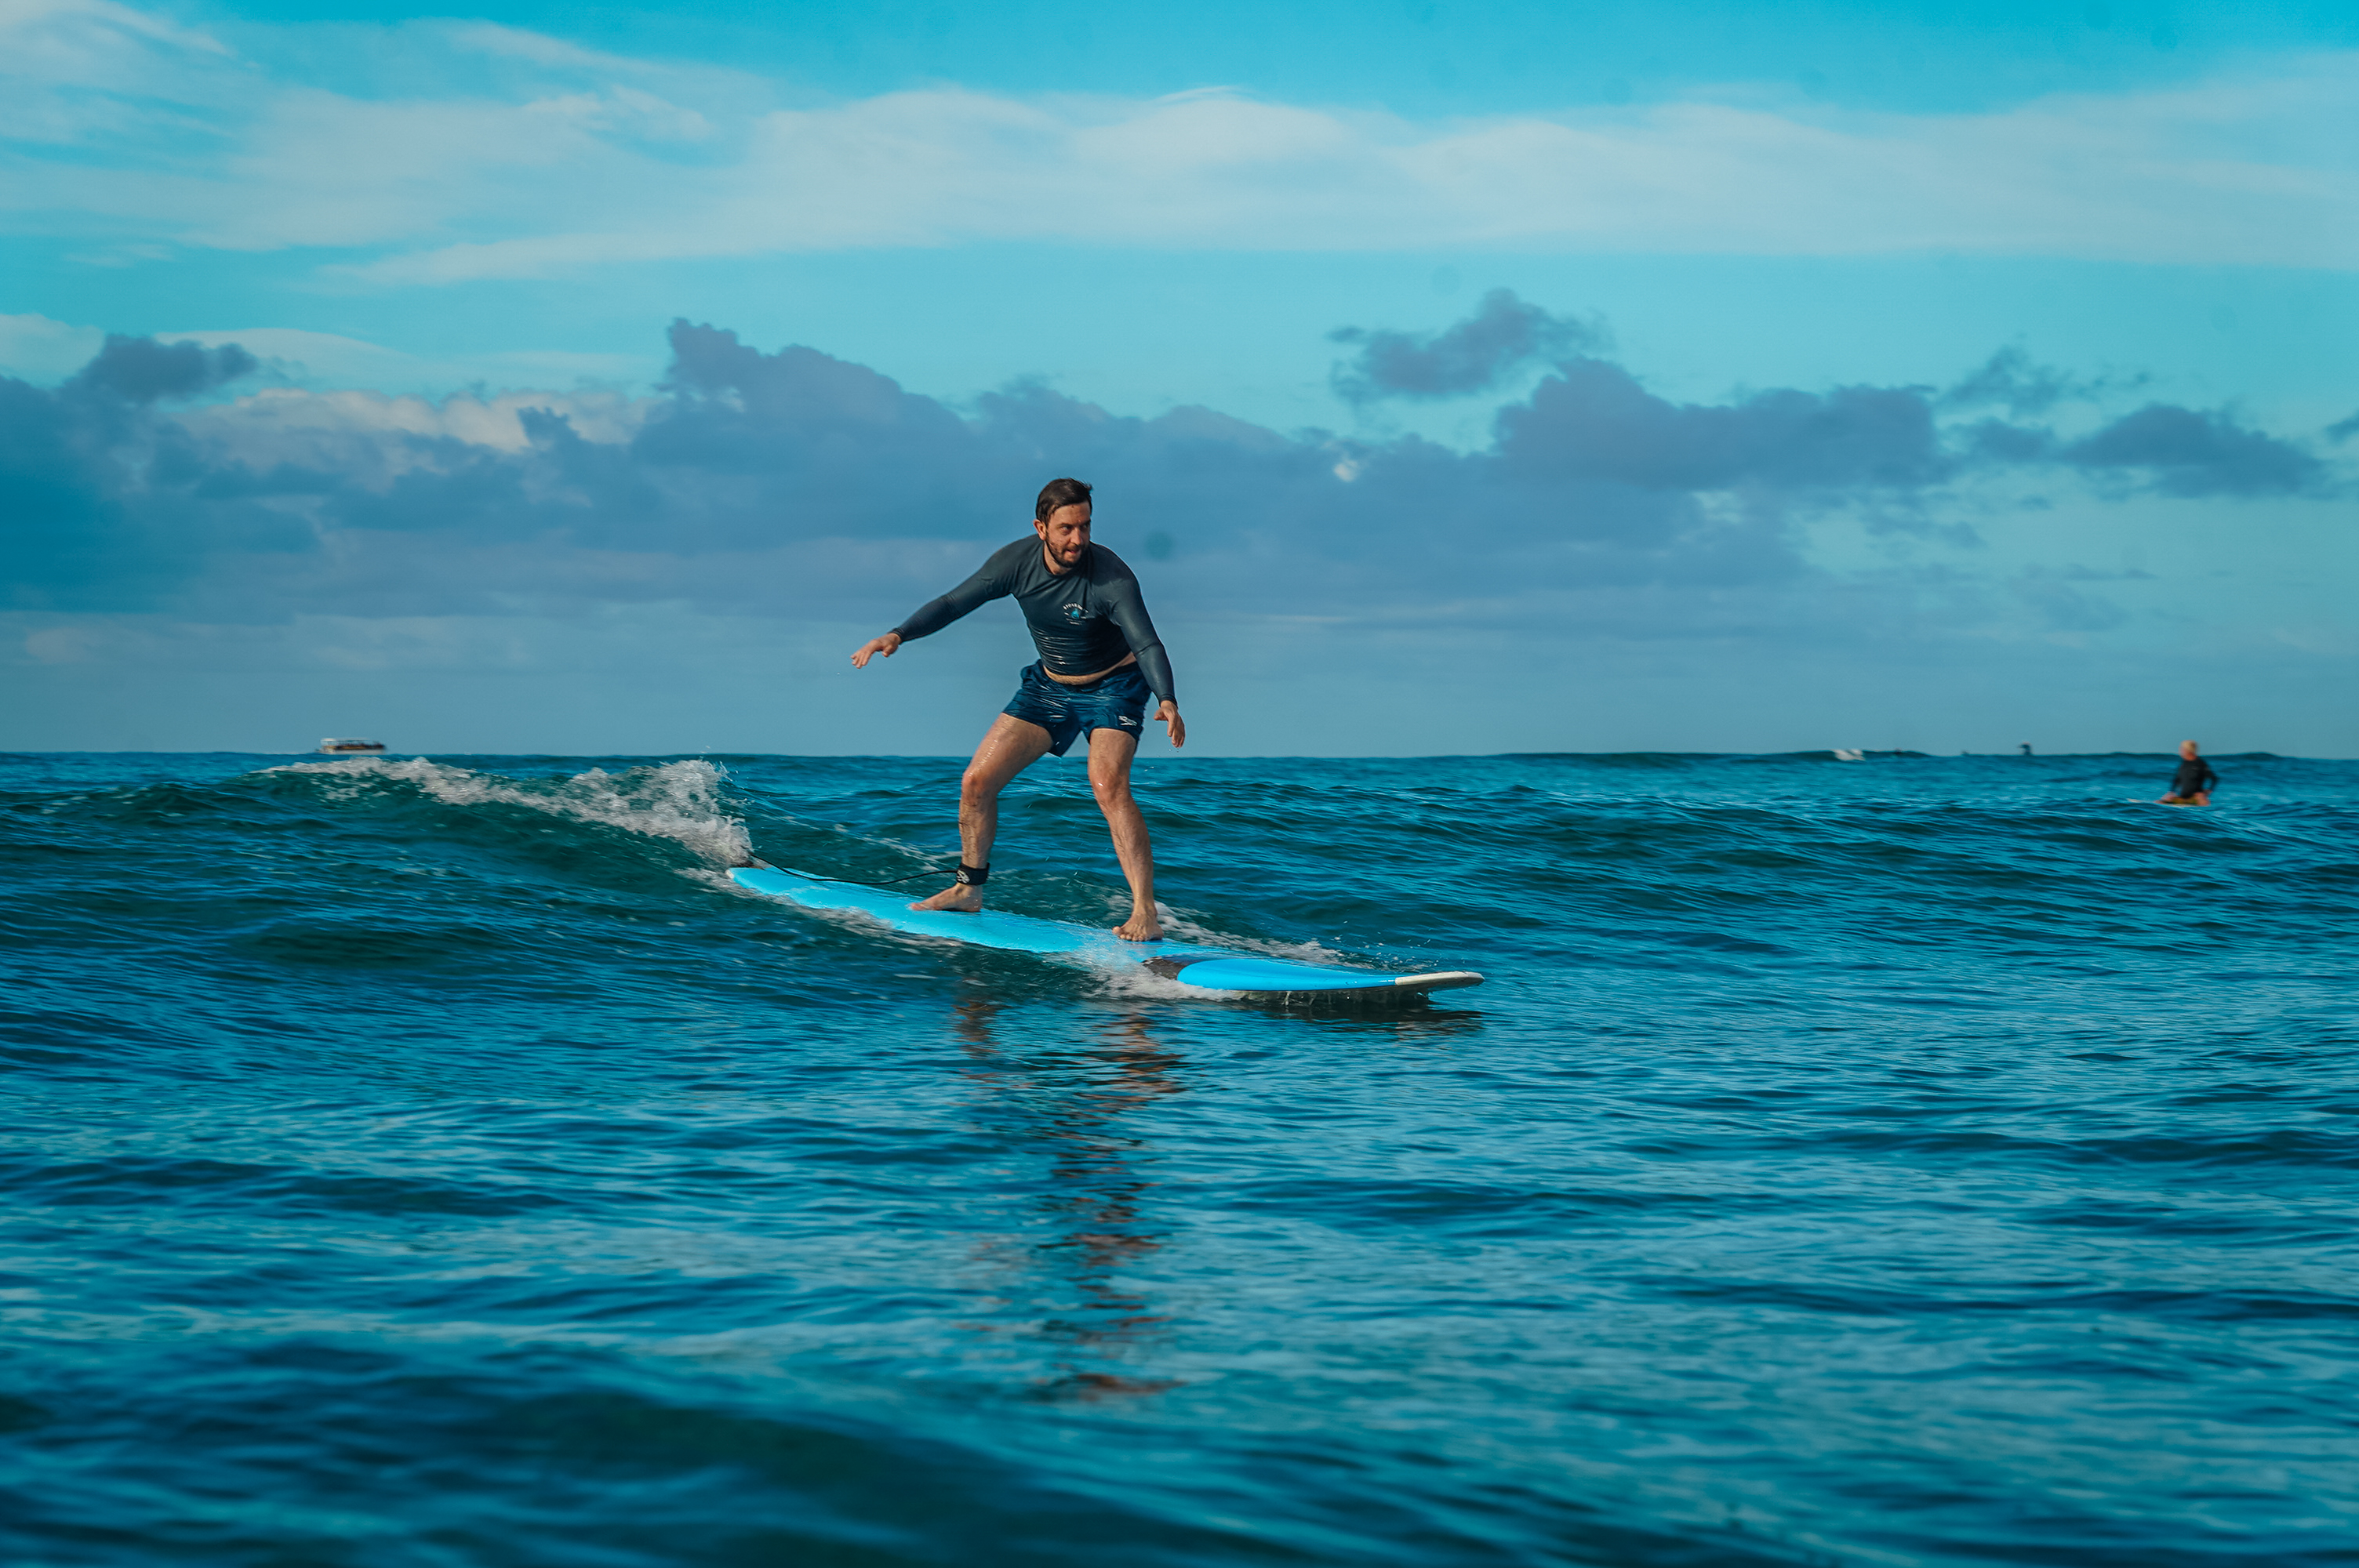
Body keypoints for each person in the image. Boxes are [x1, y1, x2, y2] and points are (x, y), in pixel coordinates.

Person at [850, 477, 1184, 941]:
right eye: (1067, 528)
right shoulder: (1016, 563)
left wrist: (1166, 697)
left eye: (1085, 527)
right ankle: (968, 889)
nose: (1078, 539)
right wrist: (899, 634)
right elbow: (954, 602)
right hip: (1048, 685)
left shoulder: (1112, 577)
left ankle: (1144, 912)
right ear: (1041, 526)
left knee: (1107, 785)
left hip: (1116, 685)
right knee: (977, 781)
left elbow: (1146, 641)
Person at [2158, 740, 2219, 805]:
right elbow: (2177, 780)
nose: (2180, 751)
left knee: (2205, 803)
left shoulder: (2200, 764)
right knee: (2158, 803)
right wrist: (2172, 792)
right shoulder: (2184, 764)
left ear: (2189, 750)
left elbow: (2214, 779)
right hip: (2182, 798)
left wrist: (2208, 791)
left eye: (2182, 749)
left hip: (2195, 799)